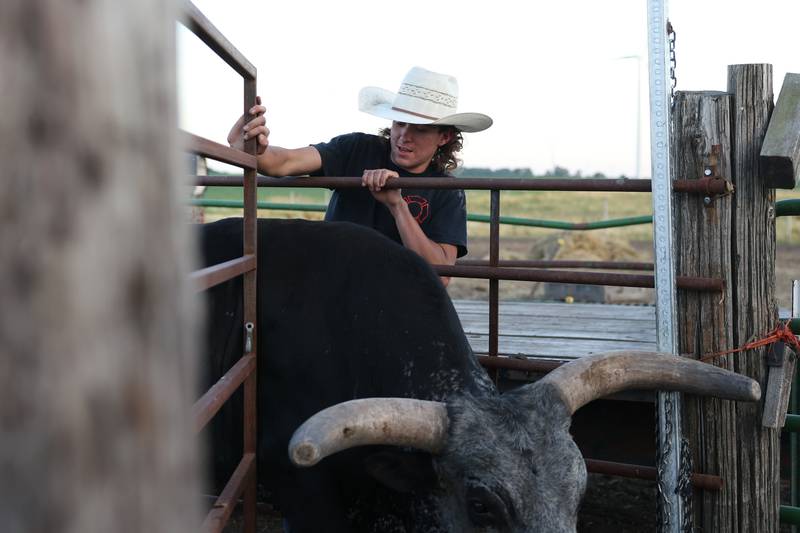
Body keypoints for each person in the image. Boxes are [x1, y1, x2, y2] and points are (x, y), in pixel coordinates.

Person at [227, 66, 492, 286]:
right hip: (334, 286)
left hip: (401, 302)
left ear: (444, 137)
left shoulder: (447, 191)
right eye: (400, 122)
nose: (404, 136)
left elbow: (441, 275)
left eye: (421, 129)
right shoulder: (355, 149)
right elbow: (284, 162)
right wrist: (253, 150)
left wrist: (396, 205)